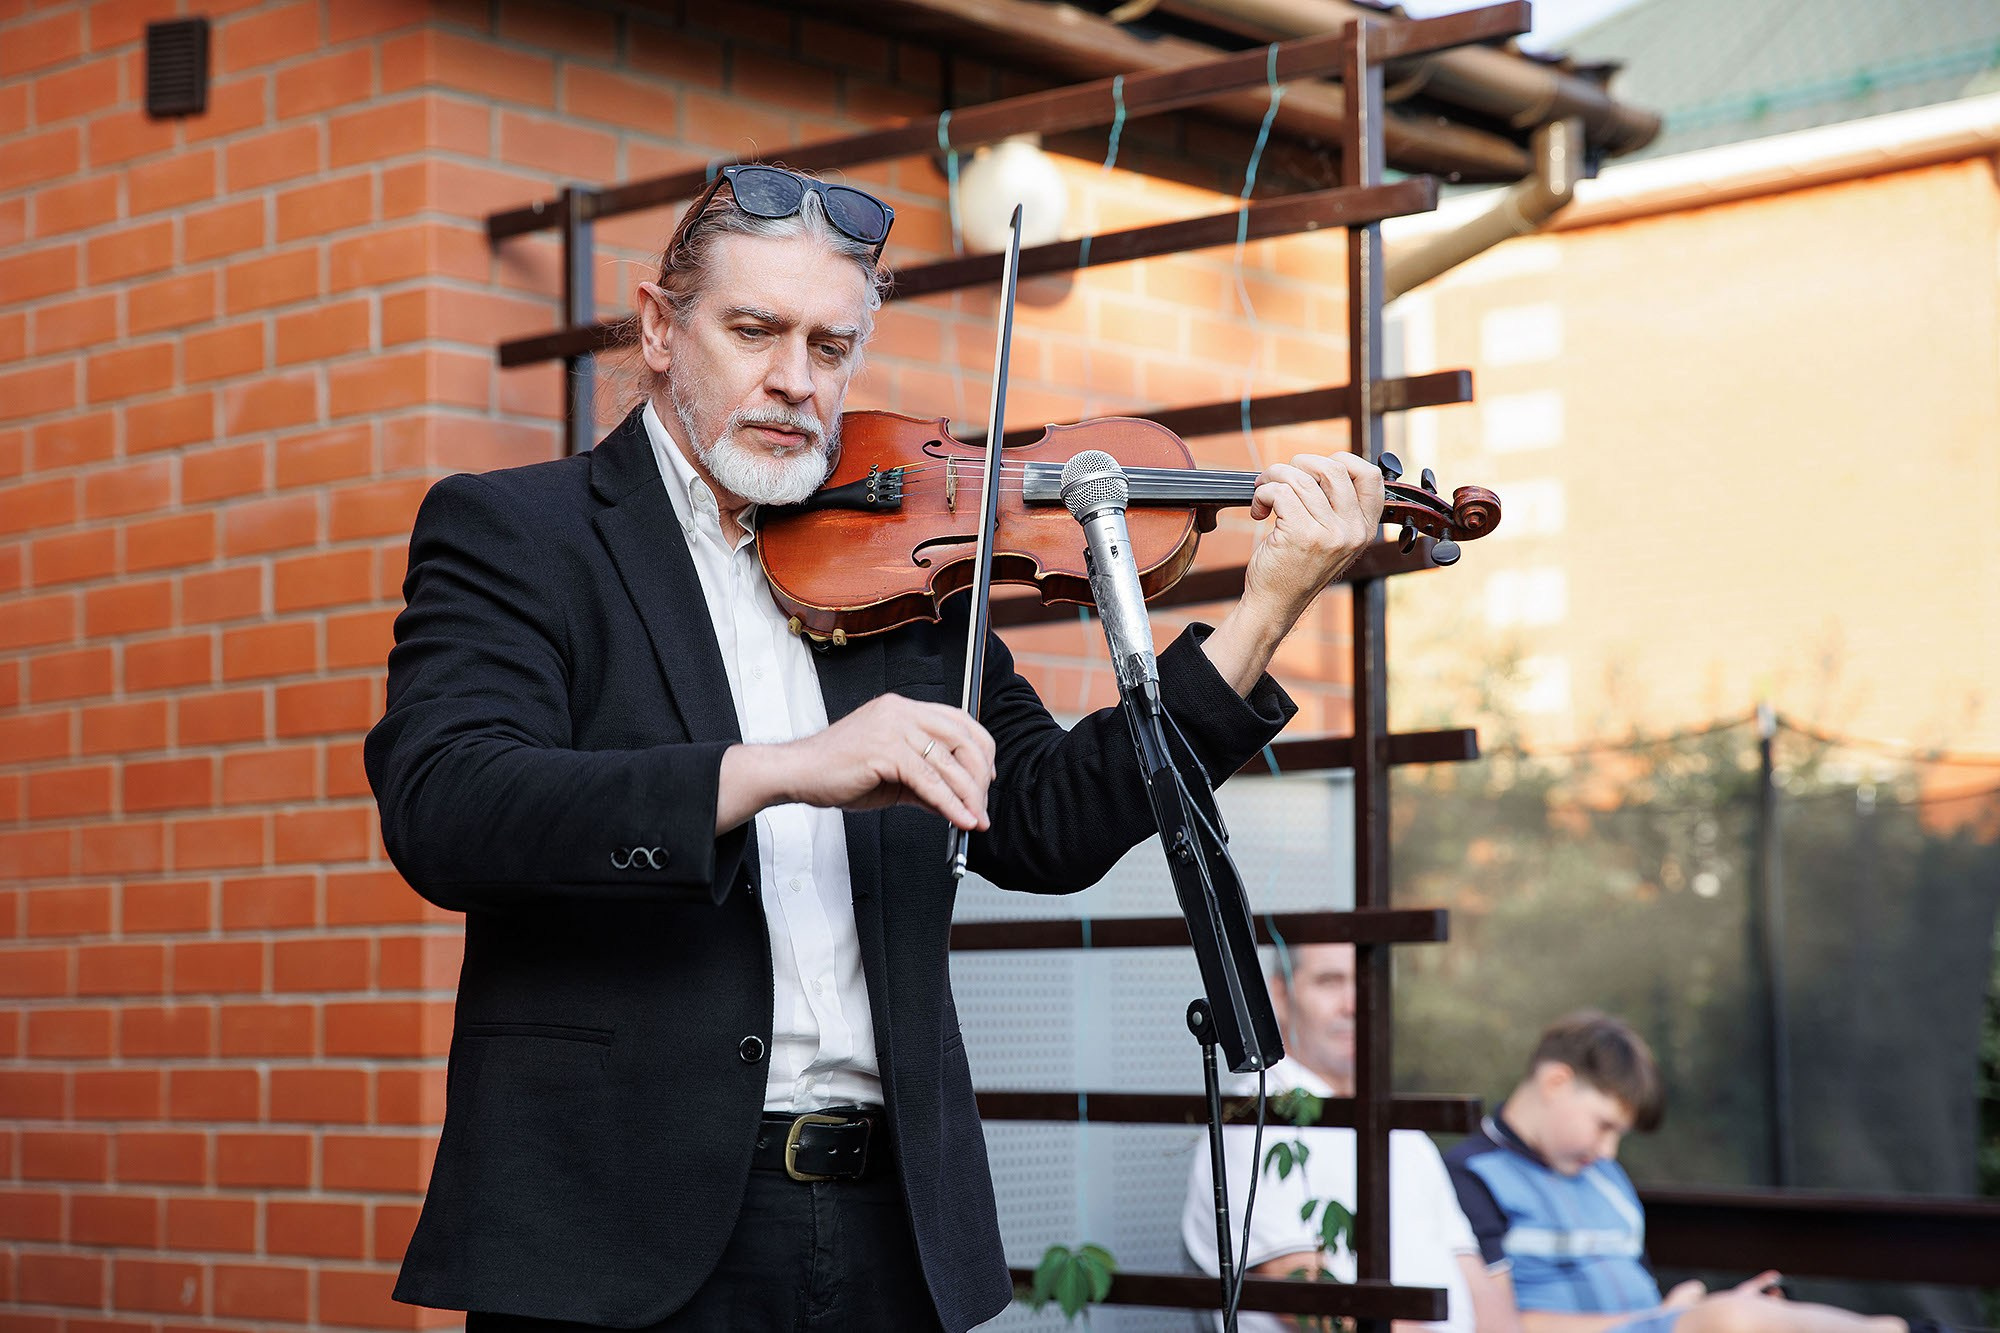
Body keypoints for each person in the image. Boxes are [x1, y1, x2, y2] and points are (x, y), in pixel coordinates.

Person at [364, 163, 1391, 1333]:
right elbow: (449, 806)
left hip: (884, 1231)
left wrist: (1265, 611)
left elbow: (1047, 824)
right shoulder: (521, 532)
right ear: (658, 325)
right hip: (619, 1229)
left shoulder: (898, 564)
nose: (796, 382)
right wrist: (784, 767)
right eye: (754, 331)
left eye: (831, 346)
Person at [1444, 1013, 1906, 1333]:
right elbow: (1499, 1324)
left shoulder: (1607, 1180)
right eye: (1604, 1125)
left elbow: (1637, 1294)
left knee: (1747, 1316)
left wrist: (1684, 1316)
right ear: (1556, 1083)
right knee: (1733, 1322)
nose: (1608, 1150)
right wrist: (1677, 1319)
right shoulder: (1470, 1179)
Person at [1182, 943, 1518, 1333]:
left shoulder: (1402, 1128)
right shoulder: (1258, 1117)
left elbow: (1474, 1279)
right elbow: (1304, 1296)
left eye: (1364, 984)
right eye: (1329, 982)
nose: (1352, 1004)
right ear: (1279, 995)